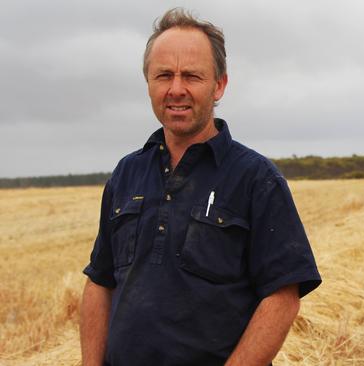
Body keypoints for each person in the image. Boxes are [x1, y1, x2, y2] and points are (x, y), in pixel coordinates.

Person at [80, 8, 321, 366]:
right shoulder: (126, 174)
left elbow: (283, 297)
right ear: (148, 82)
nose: (176, 89)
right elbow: (100, 282)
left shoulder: (256, 178)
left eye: (191, 76)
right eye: (164, 75)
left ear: (219, 85)